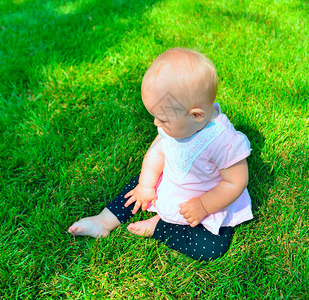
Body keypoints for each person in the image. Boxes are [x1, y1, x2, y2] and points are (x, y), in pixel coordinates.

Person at [68, 48, 253, 261]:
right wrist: (146, 186)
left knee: (211, 248)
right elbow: (157, 152)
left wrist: (204, 205)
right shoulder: (175, 124)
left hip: (204, 201)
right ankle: (104, 220)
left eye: (162, 119)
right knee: (135, 188)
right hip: (170, 183)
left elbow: (236, 182)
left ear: (196, 116)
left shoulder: (224, 141)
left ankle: (159, 227)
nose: (156, 124)